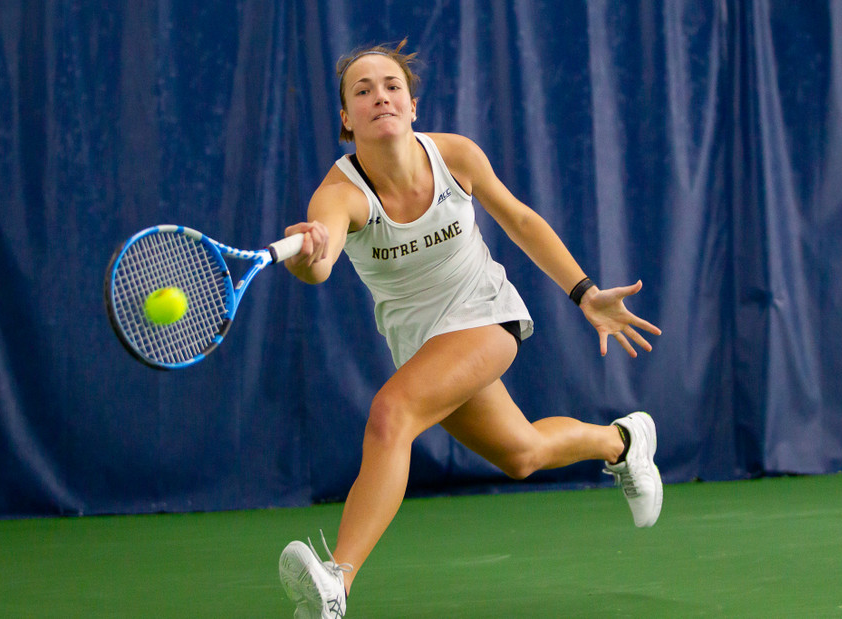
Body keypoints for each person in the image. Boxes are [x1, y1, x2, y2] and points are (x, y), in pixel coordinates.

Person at [277, 40, 663, 619]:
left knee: (391, 414)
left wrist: (585, 294)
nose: (378, 96)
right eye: (362, 90)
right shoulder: (340, 195)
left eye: (391, 87)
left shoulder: (455, 155)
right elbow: (322, 262)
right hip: (425, 346)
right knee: (522, 454)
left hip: (486, 313)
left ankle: (338, 581)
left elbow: (521, 219)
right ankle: (623, 442)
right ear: (345, 119)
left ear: (411, 106)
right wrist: (309, 255)